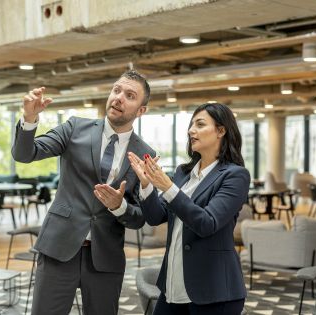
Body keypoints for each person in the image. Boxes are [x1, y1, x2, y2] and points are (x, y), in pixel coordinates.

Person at [12, 70, 156, 315]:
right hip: (59, 247)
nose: (119, 97)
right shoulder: (75, 127)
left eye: (130, 95)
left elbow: (140, 217)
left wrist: (118, 206)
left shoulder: (145, 155)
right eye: (116, 90)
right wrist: (29, 118)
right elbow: (26, 154)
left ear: (141, 110)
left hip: (106, 257)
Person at [128, 103, 249, 315]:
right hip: (172, 286)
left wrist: (167, 187)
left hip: (214, 291)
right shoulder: (183, 173)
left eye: (200, 124)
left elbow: (207, 223)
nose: (191, 130)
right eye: (191, 125)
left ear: (221, 131)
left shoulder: (235, 175)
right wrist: (146, 184)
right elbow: (156, 217)